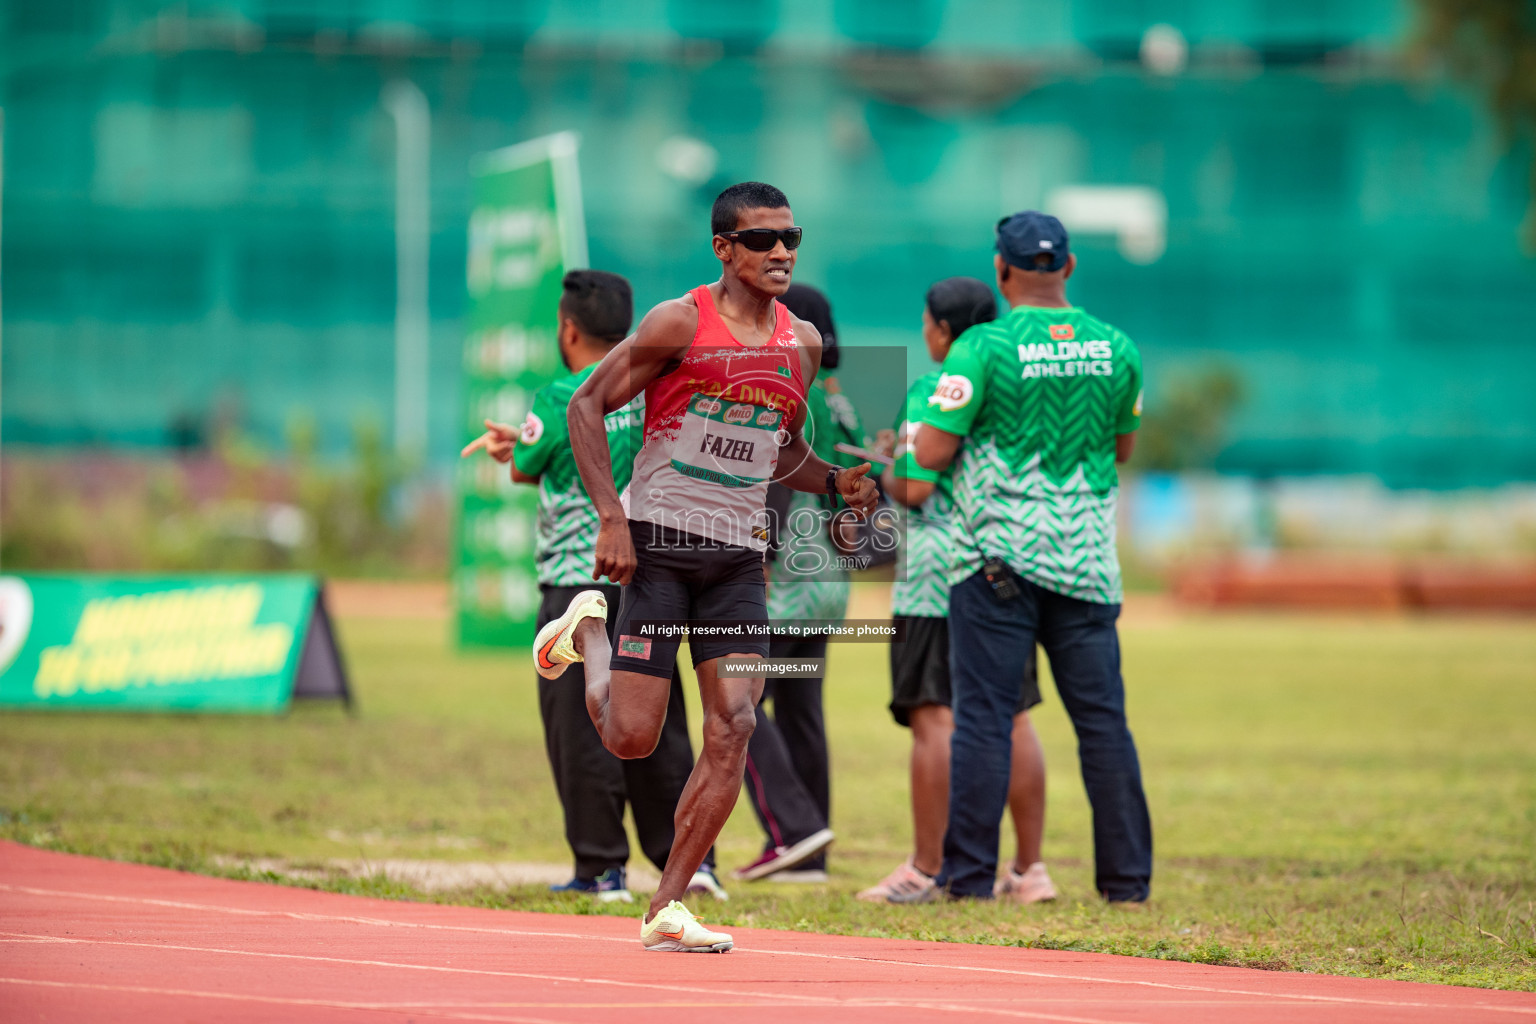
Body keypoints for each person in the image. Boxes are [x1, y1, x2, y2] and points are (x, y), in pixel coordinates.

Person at [542, 182, 879, 952]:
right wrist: (612, 516)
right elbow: (586, 406)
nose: (782, 252)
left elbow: (779, 445)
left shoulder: (802, 344)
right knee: (632, 737)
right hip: (658, 546)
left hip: (736, 559)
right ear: (724, 249)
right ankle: (588, 635)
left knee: (732, 722)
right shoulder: (676, 323)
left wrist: (833, 479)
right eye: (762, 240)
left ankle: (668, 902)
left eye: (792, 237)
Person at [460, 270, 727, 905]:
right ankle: (693, 864)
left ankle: (600, 868)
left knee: (582, 728)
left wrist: (511, 449)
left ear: (568, 328)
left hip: (573, 584)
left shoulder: (559, 396)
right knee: (661, 723)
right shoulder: (658, 386)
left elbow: (532, 463)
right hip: (646, 578)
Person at [915, 212, 1153, 903]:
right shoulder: (1118, 347)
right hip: (1085, 565)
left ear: (1001, 269)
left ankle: (966, 878)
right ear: (1070, 268)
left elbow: (930, 454)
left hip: (998, 561)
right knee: (1103, 722)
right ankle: (1126, 883)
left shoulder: (981, 347)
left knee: (985, 719)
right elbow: (1123, 449)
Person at [858, 277, 1056, 905]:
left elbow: (914, 486)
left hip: (937, 579)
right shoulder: (1020, 388)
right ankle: (1029, 870)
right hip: (1010, 567)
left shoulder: (934, 390)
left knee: (933, 719)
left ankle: (926, 866)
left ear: (943, 331)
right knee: (1014, 716)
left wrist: (885, 464)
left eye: (926, 323)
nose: (924, 333)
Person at [734, 283, 863, 884]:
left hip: (782, 582)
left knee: (740, 702)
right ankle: (812, 851)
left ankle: (794, 830)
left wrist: (762, 556)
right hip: (826, 585)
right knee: (802, 711)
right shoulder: (841, 404)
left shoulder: (789, 391)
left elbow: (779, 478)